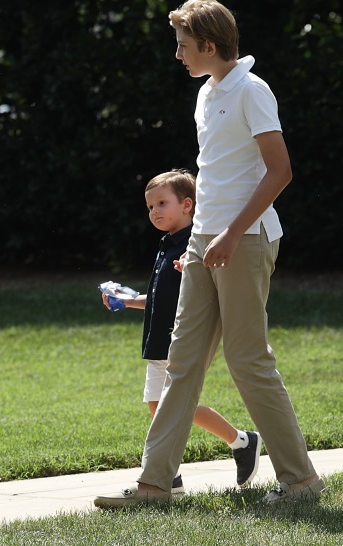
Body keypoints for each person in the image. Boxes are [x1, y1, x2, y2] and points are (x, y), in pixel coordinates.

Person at [95, 0, 323, 509]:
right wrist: (198, 241)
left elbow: (279, 171)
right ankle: (154, 486)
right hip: (205, 240)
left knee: (247, 360)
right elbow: (218, 173)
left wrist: (227, 234)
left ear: (209, 45)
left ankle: (301, 483)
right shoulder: (206, 93)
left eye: (182, 45)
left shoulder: (251, 90)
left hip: (244, 239)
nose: (177, 54)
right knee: (181, 361)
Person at [99, 169, 262, 494]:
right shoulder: (166, 246)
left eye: (162, 203)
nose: (155, 211)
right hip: (159, 340)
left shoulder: (193, 245)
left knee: (170, 407)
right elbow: (161, 298)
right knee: (158, 408)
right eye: (150, 207)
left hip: (180, 339)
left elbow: (207, 291)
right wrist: (127, 300)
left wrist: (195, 262)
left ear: (187, 205)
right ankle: (227, 448)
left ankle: (177, 470)